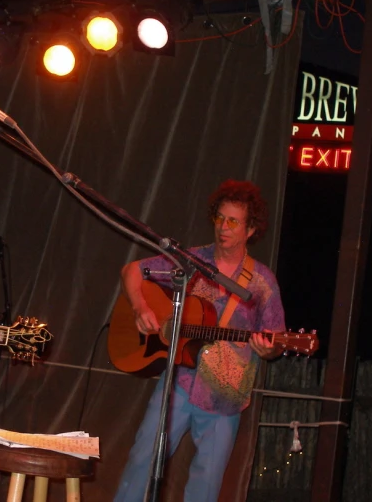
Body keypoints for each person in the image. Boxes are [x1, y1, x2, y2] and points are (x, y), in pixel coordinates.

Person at [114, 179, 286, 502]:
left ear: (250, 230)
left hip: (224, 398)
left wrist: (271, 347)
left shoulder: (263, 284)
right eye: (220, 217)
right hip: (178, 382)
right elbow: (131, 271)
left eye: (234, 221)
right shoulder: (189, 261)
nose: (223, 227)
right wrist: (140, 308)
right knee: (141, 463)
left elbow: (274, 340)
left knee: (204, 491)